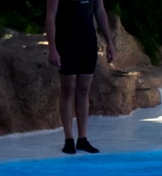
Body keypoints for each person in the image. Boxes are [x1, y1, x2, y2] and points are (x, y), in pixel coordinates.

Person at [45, 0, 116, 155]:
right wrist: (52, 49)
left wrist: (109, 42)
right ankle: (68, 139)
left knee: (84, 89)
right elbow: (51, 15)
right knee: (68, 90)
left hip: (88, 40)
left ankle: (82, 138)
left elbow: (100, 11)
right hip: (66, 40)